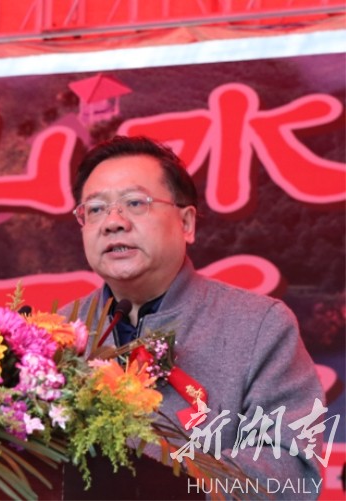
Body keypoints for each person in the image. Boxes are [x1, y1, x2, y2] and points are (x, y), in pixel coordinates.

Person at [61, 135, 325, 499]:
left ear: (186, 222)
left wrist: (168, 483)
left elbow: (291, 466)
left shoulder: (259, 326)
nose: (113, 222)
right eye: (95, 209)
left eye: (135, 203)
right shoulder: (56, 334)